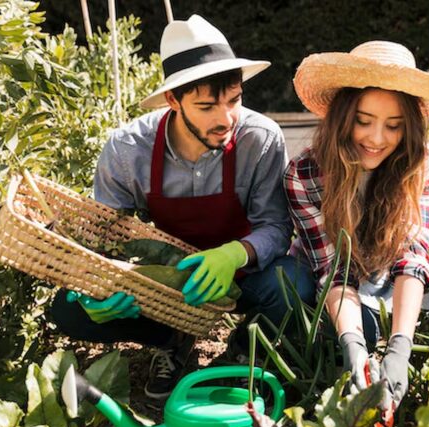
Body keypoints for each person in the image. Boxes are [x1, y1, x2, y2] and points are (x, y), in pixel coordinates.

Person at [50, 15, 315, 399]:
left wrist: (233, 255)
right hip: (170, 285)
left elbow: (275, 225)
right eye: (207, 106)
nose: (225, 119)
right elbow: (105, 235)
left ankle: (243, 347)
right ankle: (168, 339)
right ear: (173, 100)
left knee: (293, 282)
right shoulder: (128, 150)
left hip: (241, 276)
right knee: (69, 310)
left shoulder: (260, 138)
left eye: (234, 100)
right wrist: (98, 287)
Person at [285, 41, 429, 409]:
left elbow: (412, 254)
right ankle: (348, 337)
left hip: (388, 274)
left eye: (393, 126)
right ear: (343, 117)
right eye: (363, 121)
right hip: (334, 286)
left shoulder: (419, 161)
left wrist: (402, 345)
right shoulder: (305, 173)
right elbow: (334, 270)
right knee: (362, 330)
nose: (376, 139)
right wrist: (352, 343)